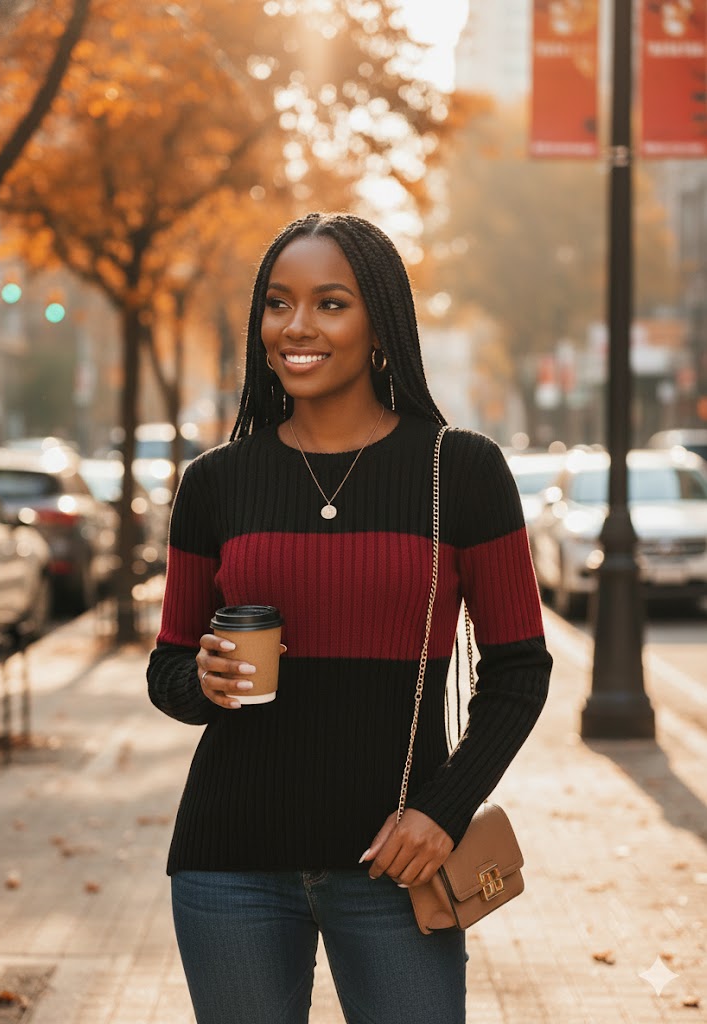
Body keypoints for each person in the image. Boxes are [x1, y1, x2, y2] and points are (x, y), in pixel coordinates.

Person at [147, 211, 553, 1024]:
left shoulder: (460, 470)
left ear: (380, 328)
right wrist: (201, 679)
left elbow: (519, 670)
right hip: (229, 864)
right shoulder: (216, 481)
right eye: (277, 303)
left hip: (396, 866)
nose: (296, 326)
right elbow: (168, 667)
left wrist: (443, 809)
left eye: (330, 304)